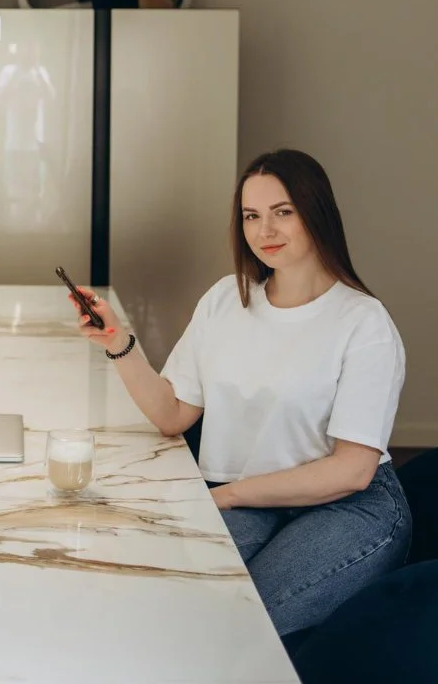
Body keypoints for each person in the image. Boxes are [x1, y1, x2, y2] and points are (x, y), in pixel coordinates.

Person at [71, 149, 411, 637]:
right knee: (158, 600)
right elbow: (173, 414)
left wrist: (226, 495)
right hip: (244, 496)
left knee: (236, 627)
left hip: (345, 507)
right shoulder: (227, 299)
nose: (264, 231)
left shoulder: (363, 323)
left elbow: (352, 470)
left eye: (283, 213)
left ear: (317, 214)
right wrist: (118, 342)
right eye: (252, 216)